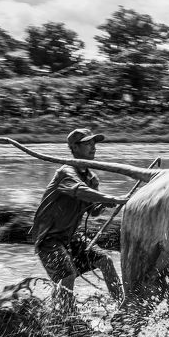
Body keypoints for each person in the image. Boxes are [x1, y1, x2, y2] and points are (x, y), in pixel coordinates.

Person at [31, 128, 129, 312]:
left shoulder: (92, 179)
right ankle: (64, 319)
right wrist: (110, 198)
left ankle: (122, 308)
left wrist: (105, 204)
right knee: (67, 275)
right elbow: (79, 190)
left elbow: (93, 211)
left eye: (94, 143)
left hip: (70, 237)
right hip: (49, 238)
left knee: (105, 261)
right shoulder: (65, 172)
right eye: (87, 144)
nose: (93, 147)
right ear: (74, 148)